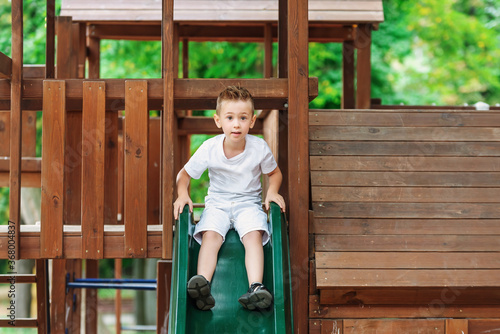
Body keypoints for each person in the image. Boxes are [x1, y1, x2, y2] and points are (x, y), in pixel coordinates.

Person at [173, 86, 285, 311]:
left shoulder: (258, 147)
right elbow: (183, 175)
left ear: (252, 121)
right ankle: (202, 283)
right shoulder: (209, 148)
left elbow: (275, 173)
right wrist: (182, 195)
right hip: (218, 204)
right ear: (218, 120)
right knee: (211, 235)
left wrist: (272, 191)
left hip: (248, 205)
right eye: (230, 118)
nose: (236, 124)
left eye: (243, 118)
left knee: (253, 236)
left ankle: (256, 287)